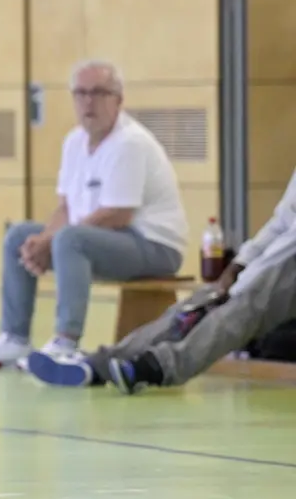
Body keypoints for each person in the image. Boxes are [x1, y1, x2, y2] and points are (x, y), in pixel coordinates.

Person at [0, 60, 187, 368]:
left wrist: (54, 241)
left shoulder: (130, 143)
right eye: (81, 93)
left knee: (70, 239)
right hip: (101, 238)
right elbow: (66, 207)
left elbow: (118, 215)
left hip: (153, 246)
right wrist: (43, 239)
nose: (88, 101)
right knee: (19, 236)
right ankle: (15, 339)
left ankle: (66, 343)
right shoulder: (74, 142)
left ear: (118, 100)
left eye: (99, 93)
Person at [26, 165, 296, 392]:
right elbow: (279, 225)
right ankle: (101, 364)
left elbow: (287, 251)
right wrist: (237, 267)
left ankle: (157, 367)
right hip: (274, 267)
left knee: (247, 302)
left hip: (284, 269)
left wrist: (245, 282)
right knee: (200, 303)